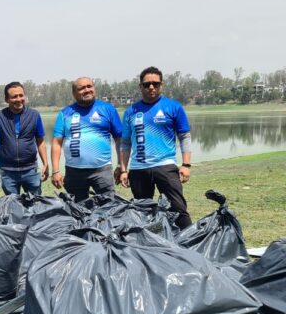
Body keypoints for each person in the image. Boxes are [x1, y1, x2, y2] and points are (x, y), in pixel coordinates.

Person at [118, 66, 193, 229]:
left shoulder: (173, 107)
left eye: (155, 84)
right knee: (142, 212)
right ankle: (149, 242)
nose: (151, 87)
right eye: (147, 84)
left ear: (161, 85)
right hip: (138, 169)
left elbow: (184, 137)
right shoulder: (131, 112)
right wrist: (123, 170)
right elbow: (125, 143)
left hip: (165, 166)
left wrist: (186, 165)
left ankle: (190, 240)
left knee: (178, 209)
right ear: (140, 86)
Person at [50, 77, 122, 202]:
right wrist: (55, 171)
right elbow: (56, 143)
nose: (87, 90)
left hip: (102, 171)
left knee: (108, 207)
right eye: (82, 88)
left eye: (89, 86)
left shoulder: (108, 109)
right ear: (74, 93)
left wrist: (121, 165)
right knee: (76, 208)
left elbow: (120, 139)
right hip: (74, 172)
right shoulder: (65, 113)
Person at [0, 81, 49, 195]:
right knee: (13, 204)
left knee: (35, 203)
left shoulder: (34, 115)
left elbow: (40, 141)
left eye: (21, 95)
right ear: (6, 99)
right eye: (14, 97)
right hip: (8, 172)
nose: (19, 99)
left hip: (31, 170)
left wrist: (45, 163)